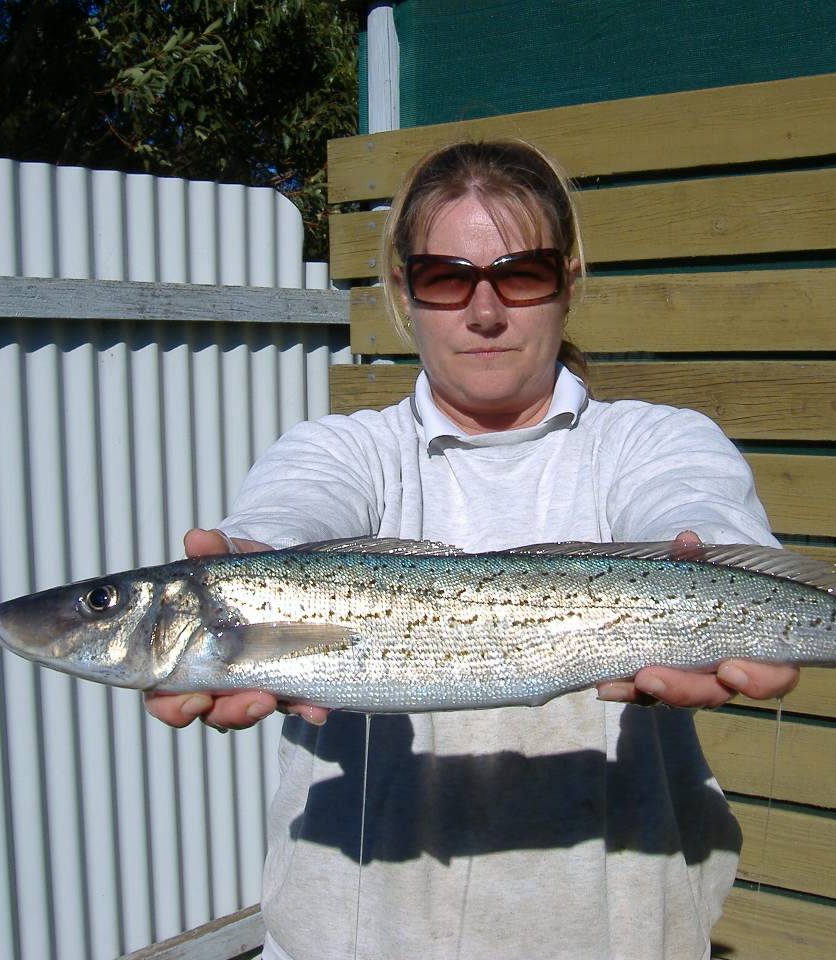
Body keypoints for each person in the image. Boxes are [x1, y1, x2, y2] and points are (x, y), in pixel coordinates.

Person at [147, 139, 798, 960]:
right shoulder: (340, 449)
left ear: (568, 281)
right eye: (446, 278)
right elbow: (291, 515)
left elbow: (697, 517)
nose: (483, 312)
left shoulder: (653, 440)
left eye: (519, 274)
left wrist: (717, 572)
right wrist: (249, 561)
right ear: (403, 292)